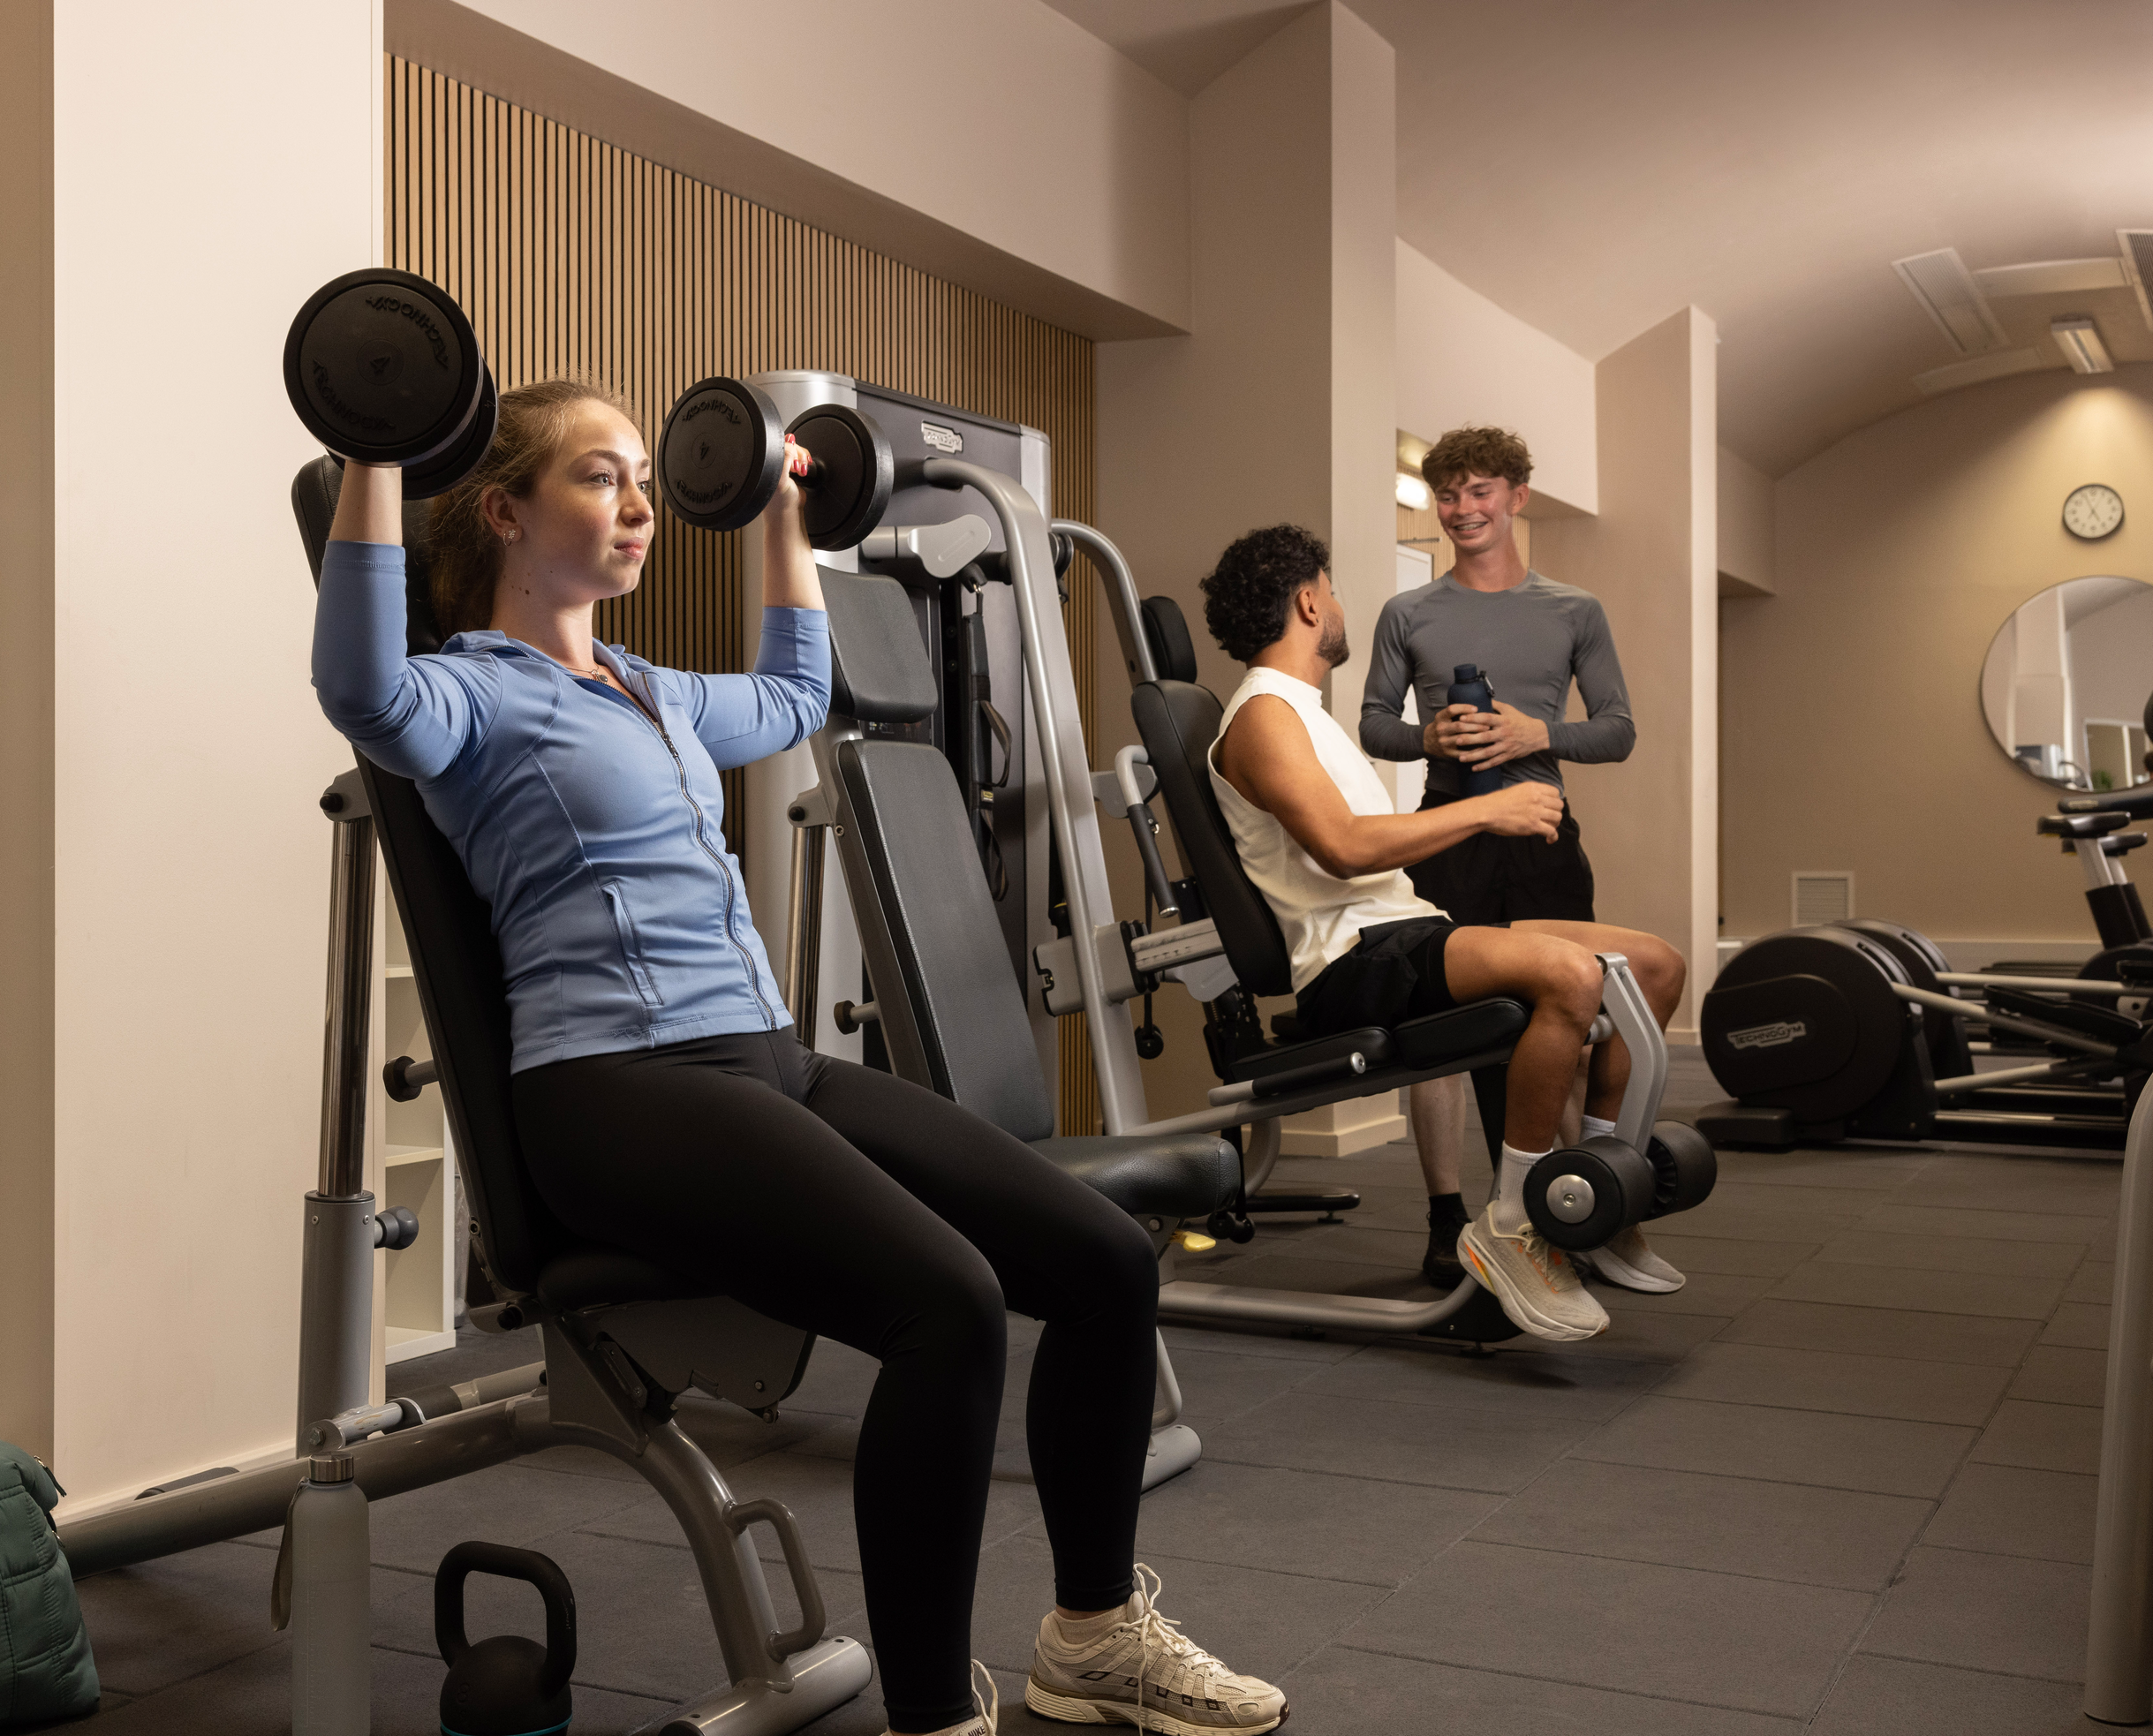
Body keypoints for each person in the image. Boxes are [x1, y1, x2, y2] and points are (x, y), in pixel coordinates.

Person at [310, 378, 1284, 1736]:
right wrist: (373, 448)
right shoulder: (465, 695)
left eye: (650, 475)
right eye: (600, 478)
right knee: (946, 1305)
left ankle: (1093, 1634)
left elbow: (792, 693)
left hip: (766, 1060)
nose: (641, 504)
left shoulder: (647, 686)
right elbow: (357, 686)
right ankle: (935, 1715)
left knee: (1106, 1260)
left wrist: (781, 511)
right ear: (504, 511)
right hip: (618, 1092)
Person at [1200, 524, 1685, 1343]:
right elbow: (1345, 849)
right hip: (1354, 961)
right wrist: (1490, 808)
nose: (1342, 605)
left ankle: (1592, 1194)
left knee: (1655, 965)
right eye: (1334, 588)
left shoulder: (1305, 715)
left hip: (1407, 930)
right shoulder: (1263, 718)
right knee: (1570, 976)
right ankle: (1514, 1224)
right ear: (1311, 601)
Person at [1358, 426, 1653, 1295]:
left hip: (1542, 839)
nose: (1461, 510)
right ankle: (1447, 1219)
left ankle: (1557, 1206)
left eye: (1479, 491)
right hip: (1446, 834)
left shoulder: (1574, 609)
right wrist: (1427, 733)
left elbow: (1618, 730)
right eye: (1448, 495)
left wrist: (1536, 732)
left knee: (1559, 1019)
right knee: (1440, 1041)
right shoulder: (1409, 612)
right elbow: (1375, 719)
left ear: (1518, 496)